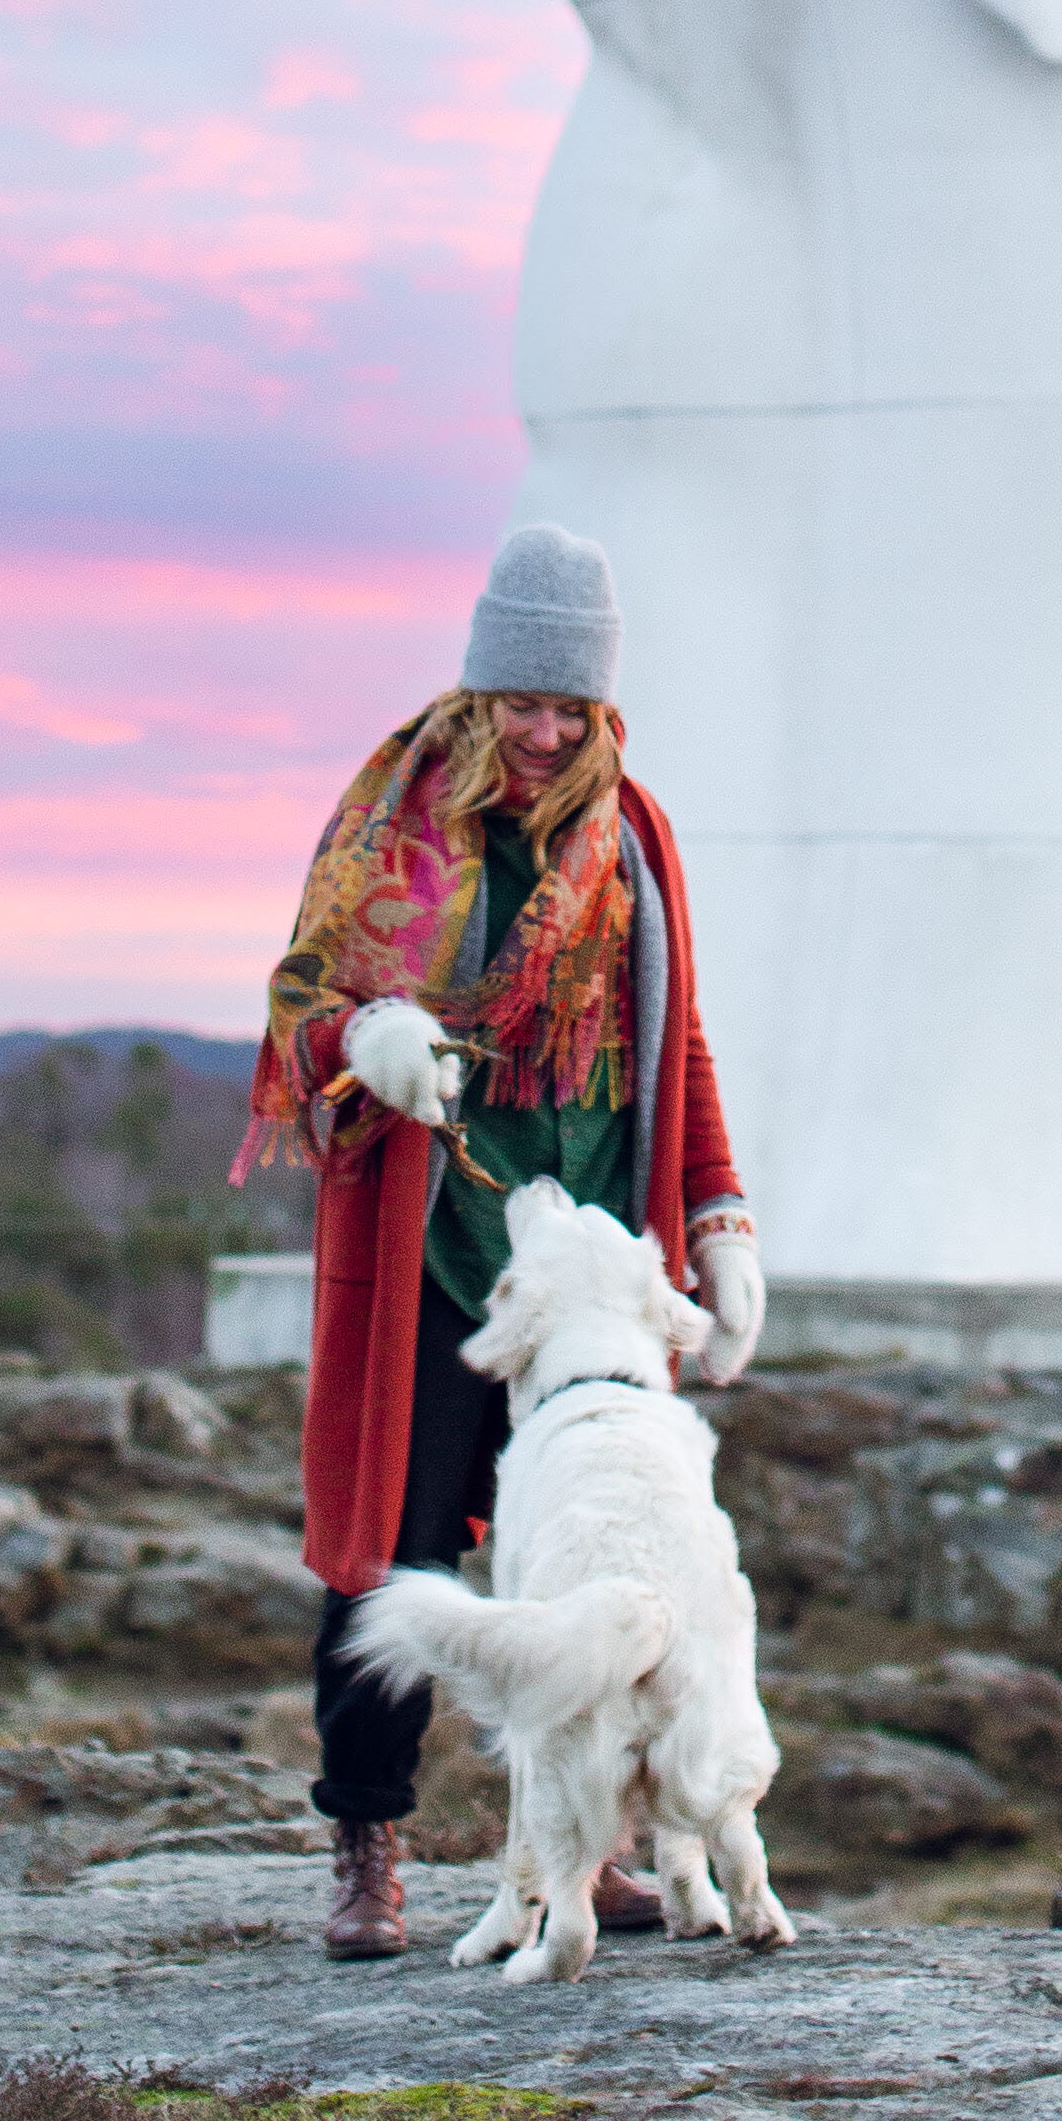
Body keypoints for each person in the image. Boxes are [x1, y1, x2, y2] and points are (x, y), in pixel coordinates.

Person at [234, 524, 762, 1959]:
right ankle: (366, 1845)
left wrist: (714, 1216)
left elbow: (677, 1042)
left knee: (603, 1557)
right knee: (390, 1555)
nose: (542, 734)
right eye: (518, 704)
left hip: (599, 1275)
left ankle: (591, 1850)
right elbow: (302, 1011)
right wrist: (374, 1036)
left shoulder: (633, 834)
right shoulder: (394, 822)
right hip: (434, 1255)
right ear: (474, 698)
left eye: (568, 709)